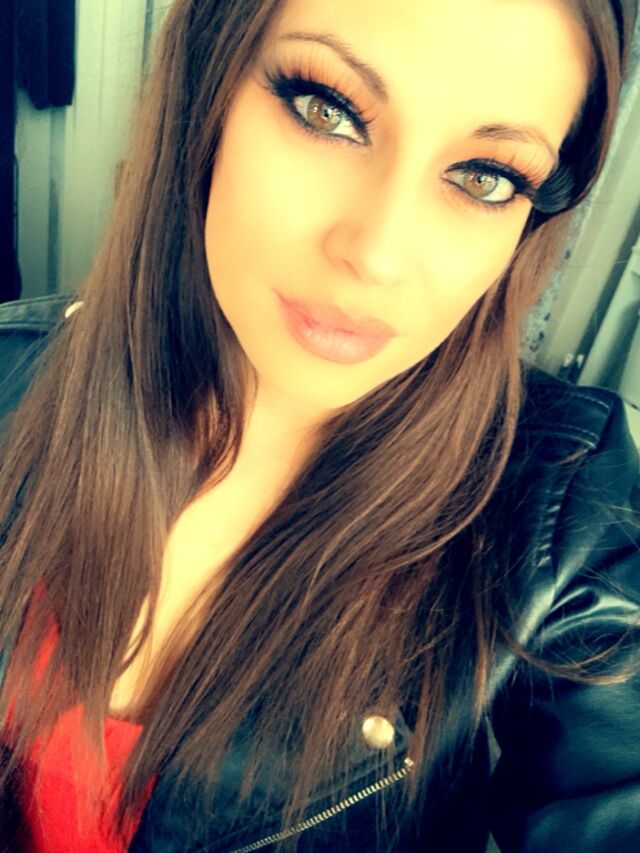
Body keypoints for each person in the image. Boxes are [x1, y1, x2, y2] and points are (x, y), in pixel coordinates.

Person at [0, 0, 639, 849]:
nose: (376, 255)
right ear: (206, 86)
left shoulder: (565, 514)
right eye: (326, 110)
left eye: (485, 175)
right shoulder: (14, 377)